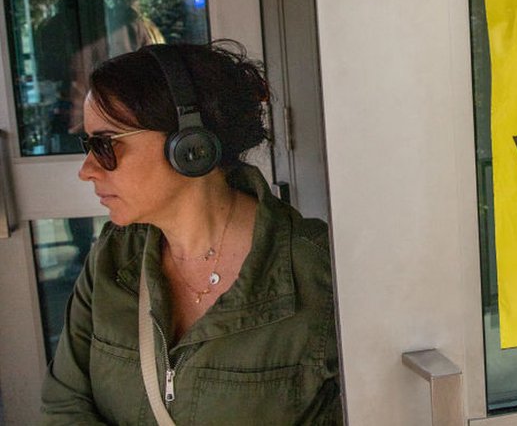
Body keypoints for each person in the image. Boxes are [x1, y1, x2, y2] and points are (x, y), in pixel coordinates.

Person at [40, 41, 342, 424]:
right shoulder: (111, 259)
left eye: (105, 145)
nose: (87, 170)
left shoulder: (319, 274)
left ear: (191, 148)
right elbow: (63, 404)